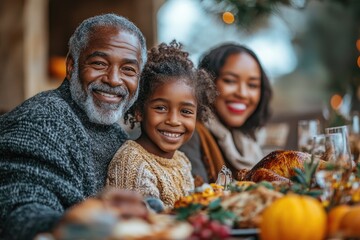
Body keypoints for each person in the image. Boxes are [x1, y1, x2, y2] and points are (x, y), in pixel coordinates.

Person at [0, 13, 147, 240]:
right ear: (71, 67)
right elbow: (19, 209)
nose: (114, 79)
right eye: (99, 63)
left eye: (128, 69)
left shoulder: (116, 133)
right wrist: (56, 224)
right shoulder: (40, 120)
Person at [106, 41, 217, 209]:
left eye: (186, 111)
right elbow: (146, 224)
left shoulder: (181, 160)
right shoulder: (133, 162)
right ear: (139, 111)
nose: (173, 120)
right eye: (161, 108)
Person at [180, 43, 272, 183]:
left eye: (252, 85)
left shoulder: (250, 141)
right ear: (207, 83)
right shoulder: (190, 133)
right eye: (230, 81)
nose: (242, 93)